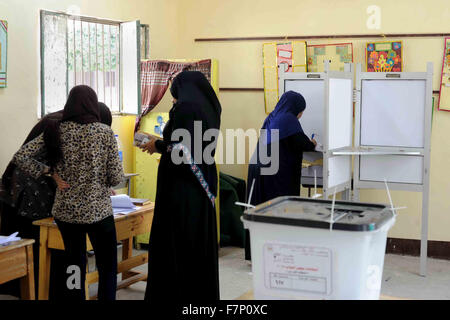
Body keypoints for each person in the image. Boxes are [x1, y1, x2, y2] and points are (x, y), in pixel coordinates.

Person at [11, 85, 123, 300]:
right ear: (93, 104)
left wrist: (49, 172)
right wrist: (99, 179)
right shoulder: (104, 132)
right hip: (98, 211)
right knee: (107, 264)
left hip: (66, 213)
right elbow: (116, 178)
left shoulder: (55, 130)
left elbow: (21, 156)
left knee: (74, 264)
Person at [139, 71, 221, 301]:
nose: (174, 100)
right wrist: (161, 143)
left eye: (175, 95)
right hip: (201, 186)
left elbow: (182, 151)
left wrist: (157, 145)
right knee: (196, 247)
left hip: (181, 191)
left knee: (177, 248)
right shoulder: (210, 107)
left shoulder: (187, 109)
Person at [245, 91, 317, 261]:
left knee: (259, 209)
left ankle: (256, 254)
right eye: (301, 111)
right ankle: (277, 253)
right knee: (277, 209)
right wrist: (312, 143)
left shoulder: (272, 117)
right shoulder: (288, 120)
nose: (300, 116)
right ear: (296, 108)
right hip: (273, 173)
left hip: (257, 168)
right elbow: (303, 144)